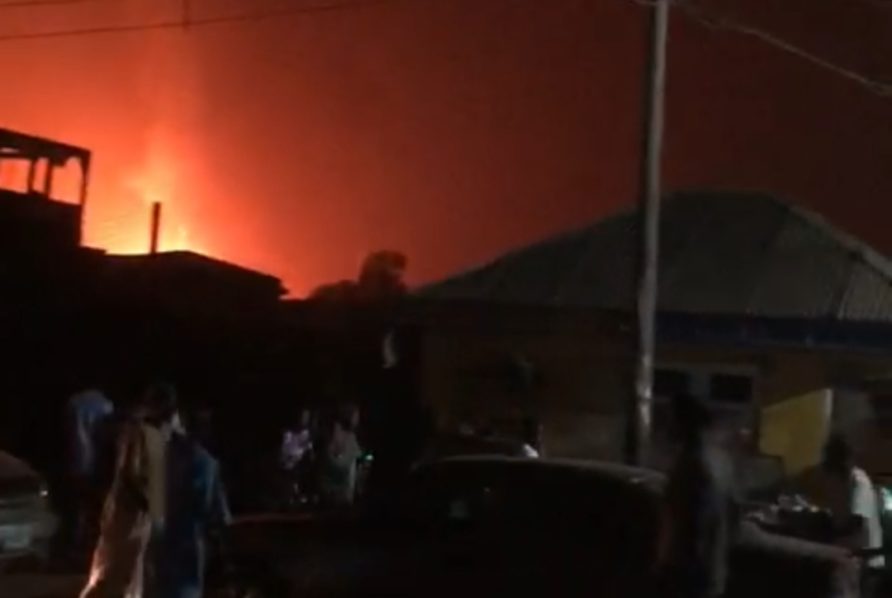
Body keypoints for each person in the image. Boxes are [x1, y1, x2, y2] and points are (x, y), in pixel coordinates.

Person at [80, 382, 180, 598]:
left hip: (134, 513)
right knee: (113, 572)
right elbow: (130, 474)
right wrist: (151, 505)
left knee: (128, 573)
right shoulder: (139, 431)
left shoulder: (150, 432)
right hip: (128, 513)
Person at [657, 394, 738, 598]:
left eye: (671, 420)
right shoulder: (721, 462)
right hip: (712, 573)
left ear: (682, 424)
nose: (666, 427)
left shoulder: (689, 467)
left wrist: (663, 565)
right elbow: (733, 515)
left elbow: (679, 524)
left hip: (687, 575)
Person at [154, 416, 231, 598]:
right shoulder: (208, 464)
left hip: (163, 537)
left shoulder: (166, 458)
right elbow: (219, 515)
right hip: (191, 542)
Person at [800, 433, 884, 596]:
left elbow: (857, 523)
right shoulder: (837, 480)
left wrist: (830, 540)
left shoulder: (859, 482)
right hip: (846, 554)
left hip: (865, 560)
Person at [64, 385, 114, 555]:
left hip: (77, 462)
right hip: (97, 462)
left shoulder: (74, 403)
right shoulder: (106, 404)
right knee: (95, 505)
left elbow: (69, 433)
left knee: (79, 505)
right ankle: (93, 545)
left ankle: (77, 542)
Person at [318, 409, 363, 507]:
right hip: (331, 493)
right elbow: (334, 462)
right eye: (356, 416)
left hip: (344, 494)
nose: (358, 420)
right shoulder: (333, 435)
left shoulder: (351, 438)